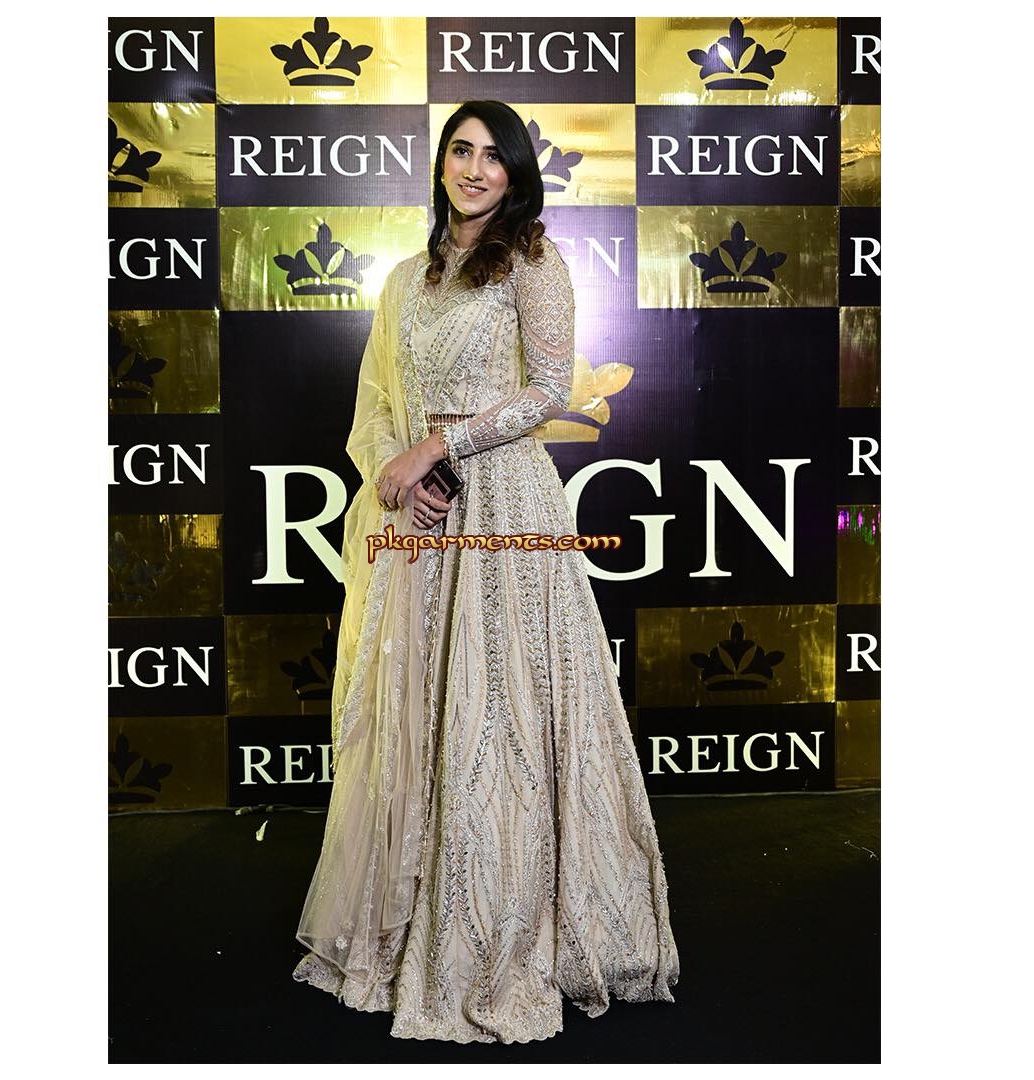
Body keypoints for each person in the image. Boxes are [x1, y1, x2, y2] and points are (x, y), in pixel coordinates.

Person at [292, 99, 680, 1044]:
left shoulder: (534, 261)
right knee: (422, 710)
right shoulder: (406, 279)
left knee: (500, 711)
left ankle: (500, 935)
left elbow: (547, 392)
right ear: (441, 165)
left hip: (505, 507)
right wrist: (398, 476)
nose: (473, 168)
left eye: (491, 155)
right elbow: (376, 406)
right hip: (422, 521)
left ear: (515, 173)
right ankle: (405, 927)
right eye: (459, 151)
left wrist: (439, 449)